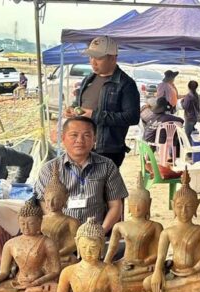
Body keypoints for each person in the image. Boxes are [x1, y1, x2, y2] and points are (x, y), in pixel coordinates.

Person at [35, 117, 128, 233]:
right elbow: (43, 202)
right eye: (74, 135)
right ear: (63, 138)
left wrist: (100, 232)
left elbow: (116, 205)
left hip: (95, 232)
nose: (80, 140)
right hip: (60, 234)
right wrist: (58, 227)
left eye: (87, 135)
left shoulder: (107, 165)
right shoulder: (49, 169)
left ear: (94, 139)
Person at [64, 36, 140, 168]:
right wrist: (73, 109)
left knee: (99, 188)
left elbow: (132, 117)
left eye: (98, 58)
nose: (93, 62)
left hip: (107, 150)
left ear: (113, 58)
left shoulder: (126, 84)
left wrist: (94, 115)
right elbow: (79, 105)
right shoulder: (88, 79)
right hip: (83, 145)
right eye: (91, 57)